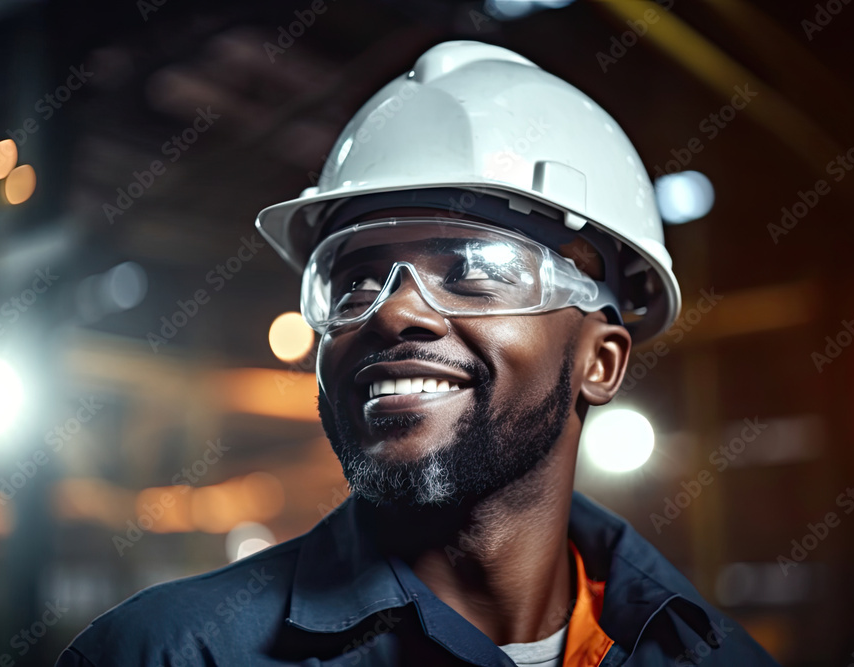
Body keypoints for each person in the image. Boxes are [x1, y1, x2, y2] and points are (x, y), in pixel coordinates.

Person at [57, 41, 780, 666]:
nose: (394, 308)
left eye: (474, 269)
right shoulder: (169, 654)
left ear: (601, 361)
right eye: (353, 280)